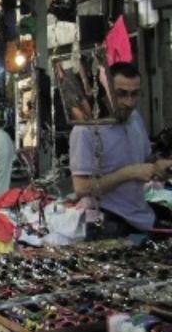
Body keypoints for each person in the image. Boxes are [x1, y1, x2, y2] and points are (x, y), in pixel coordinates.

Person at [70, 62, 172, 238]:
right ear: (106, 90)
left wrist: (158, 166)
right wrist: (128, 173)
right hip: (107, 222)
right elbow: (81, 188)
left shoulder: (135, 119)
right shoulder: (85, 130)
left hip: (141, 216)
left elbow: (145, 162)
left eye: (134, 94)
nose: (129, 102)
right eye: (121, 94)